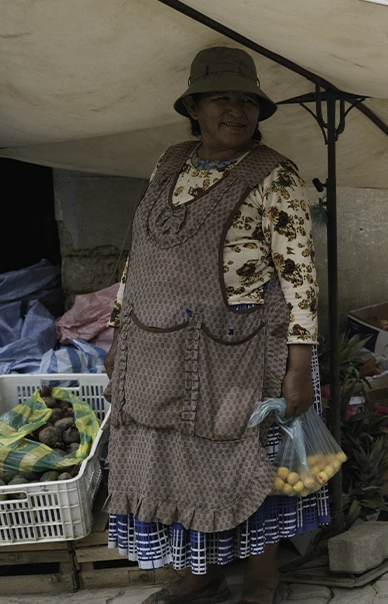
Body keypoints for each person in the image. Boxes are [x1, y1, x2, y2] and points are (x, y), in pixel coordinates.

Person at [103, 46, 324, 604]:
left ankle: (262, 581)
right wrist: (118, 332)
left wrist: (299, 366)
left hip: (244, 351)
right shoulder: (170, 161)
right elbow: (138, 255)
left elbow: (299, 276)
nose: (237, 110)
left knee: (255, 458)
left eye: (247, 100)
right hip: (157, 349)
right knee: (179, 460)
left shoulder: (276, 175)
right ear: (195, 106)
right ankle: (202, 577)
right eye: (222, 97)